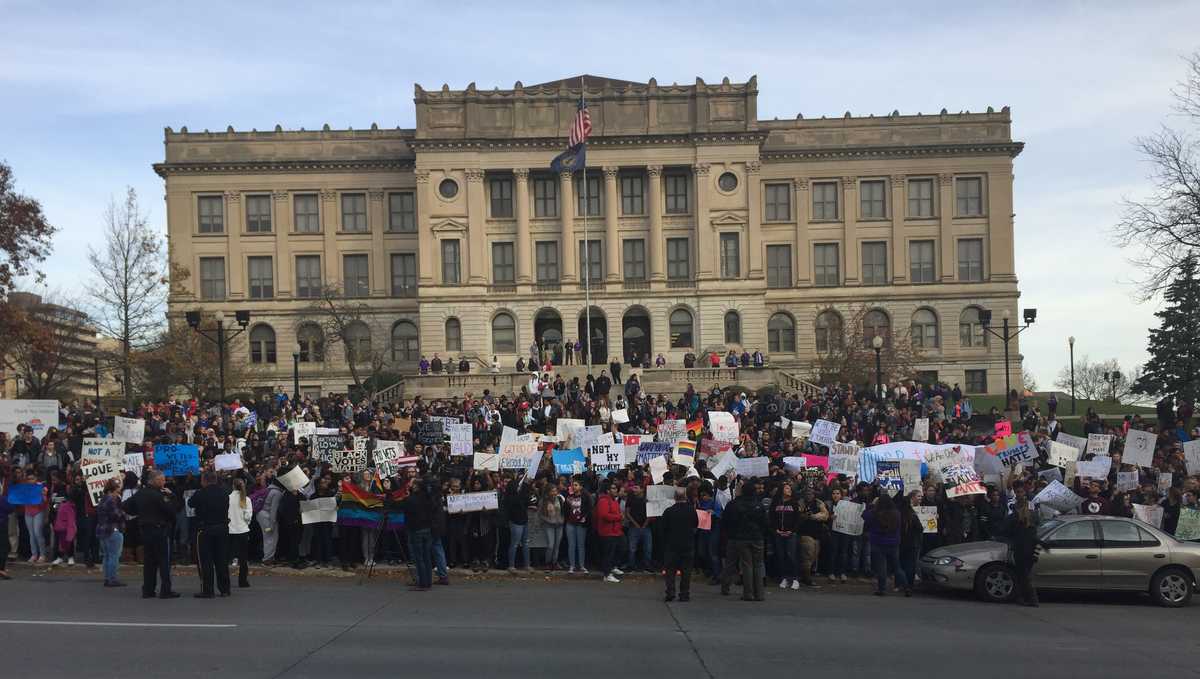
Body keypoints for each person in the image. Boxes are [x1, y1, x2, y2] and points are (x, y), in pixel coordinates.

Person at [122, 469, 182, 599]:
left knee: (149, 561)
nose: (164, 482)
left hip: (145, 529)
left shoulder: (140, 493)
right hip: (160, 530)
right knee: (163, 561)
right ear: (155, 480)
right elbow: (171, 511)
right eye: (162, 480)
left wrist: (139, 513)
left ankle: (148, 589)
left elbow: (126, 506)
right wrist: (172, 497)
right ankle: (165, 590)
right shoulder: (159, 495)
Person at [188, 470, 232, 598]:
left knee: (205, 561)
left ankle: (208, 589)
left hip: (205, 529)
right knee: (221, 560)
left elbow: (191, 503)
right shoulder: (224, 492)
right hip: (222, 529)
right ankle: (225, 589)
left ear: (204, 480)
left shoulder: (200, 493)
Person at [863, 492, 910, 597]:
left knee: (881, 567)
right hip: (893, 543)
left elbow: (864, 515)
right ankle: (907, 587)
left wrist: (872, 504)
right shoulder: (896, 513)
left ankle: (882, 589)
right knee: (897, 567)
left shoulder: (874, 512)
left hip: (878, 543)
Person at [1004, 481, 1043, 606]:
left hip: (1027, 547)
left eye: (1020, 492)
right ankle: (1022, 597)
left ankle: (1032, 598)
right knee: (1021, 573)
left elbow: (1036, 522)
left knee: (1025, 573)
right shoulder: (1014, 508)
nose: (1018, 494)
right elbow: (1009, 526)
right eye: (1017, 492)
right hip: (1020, 545)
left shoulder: (1030, 507)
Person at [729, 480, 767, 601]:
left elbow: (731, 521)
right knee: (758, 565)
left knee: (747, 565)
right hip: (757, 537)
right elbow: (764, 522)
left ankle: (748, 593)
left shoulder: (737, 504)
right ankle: (759, 594)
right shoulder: (759, 505)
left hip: (742, 537)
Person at [661, 487, 698, 602]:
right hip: (687, 544)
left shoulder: (668, 511)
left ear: (674, 498)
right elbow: (695, 525)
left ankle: (670, 592)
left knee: (670, 570)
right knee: (686, 571)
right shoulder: (691, 510)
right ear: (685, 497)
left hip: (672, 545)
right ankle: (684, 594)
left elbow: (663, 529)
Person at [96, 479, 126, 587]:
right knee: (114, 555)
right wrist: (124, 513)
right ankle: (112, 578)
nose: (119, 492)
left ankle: (107, 578)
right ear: (114, 489)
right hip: (112, 529)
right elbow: (116, 515)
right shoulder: (111, 500)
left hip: (102, 529)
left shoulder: (102, 499)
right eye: (118, 489)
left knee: (107, 556)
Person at [596, 480, 625, 583]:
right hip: (607, 532)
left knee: (621, 548)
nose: (615, 490)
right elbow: (604, 515)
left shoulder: (613, 500)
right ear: (608, 490)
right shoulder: (603, 501)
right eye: (613, 488)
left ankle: (612, 567)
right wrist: (619, 517)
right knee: (608, 553)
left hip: (616, 531)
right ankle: (607, 574)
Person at [227, 478, 253, 588]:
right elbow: (248, 516)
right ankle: (243, 581)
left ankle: (225, 581)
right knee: (243, 558)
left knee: (227, 557)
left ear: (232, 485)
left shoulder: (227, 498)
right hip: (242, 530)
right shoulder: (246, 499)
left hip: (230, 530)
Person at [564, 479, 590, 574]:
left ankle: (582, 565)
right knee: (571, 545)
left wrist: (584, 517)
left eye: (576, 485)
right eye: (573, 485)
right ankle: (572, 565)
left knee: (581, 545)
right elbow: (565, 509)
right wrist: (569, 498)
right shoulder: (569, 496)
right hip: (570, 523)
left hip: (581, 523)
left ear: (580, 487)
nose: (574, 487)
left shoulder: (585, 496)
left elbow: (588, 508)